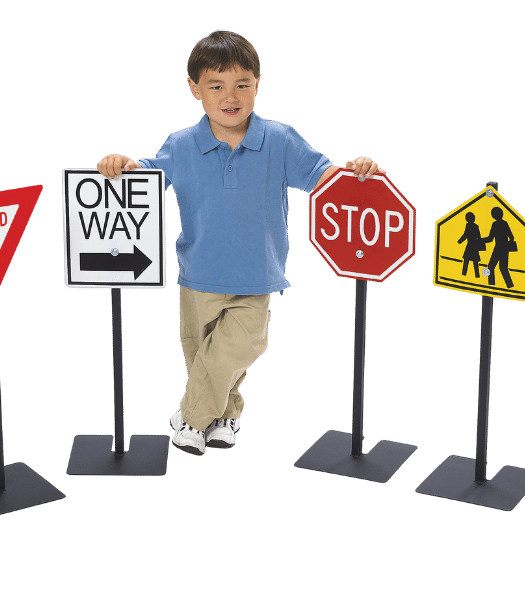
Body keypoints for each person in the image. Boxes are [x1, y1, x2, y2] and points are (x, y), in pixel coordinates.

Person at [97, 29, 385, 457]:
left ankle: (189, 419)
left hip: (258, 273)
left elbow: (326, 179)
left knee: (240, 346)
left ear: (257, 85)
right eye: (216, 85)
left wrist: (357, 170)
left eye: (241, 85)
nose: (230, 96)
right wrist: (121, 165)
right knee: (203, 357)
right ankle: (226, 416)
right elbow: (144, 177)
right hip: (198, 275)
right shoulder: (181, 144)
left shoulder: (281, 139)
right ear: (195, 89)